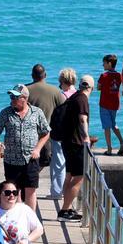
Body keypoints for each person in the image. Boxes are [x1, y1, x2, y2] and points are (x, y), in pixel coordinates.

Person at [0, 85, 50, 213]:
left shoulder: (37, 112)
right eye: (11, 96)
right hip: (11, 160)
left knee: (30, 190)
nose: (12, 99)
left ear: (24, 98)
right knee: (13, 191)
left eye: (15, 97)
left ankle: (31, 220)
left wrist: (37, 149)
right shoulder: (6, 113)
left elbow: (46, 132)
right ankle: (15, 218)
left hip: (30, 159)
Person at [26, 66, 66, 200]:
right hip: (48, 132)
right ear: (45, 75)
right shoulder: (55, 91)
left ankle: (27, 180)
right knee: (46, 159)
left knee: (29, 158)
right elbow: (63, 110)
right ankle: (30, 180)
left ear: (32, 75)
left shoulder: (26, 90)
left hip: (28, 132)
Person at [58, 76, 95, 220]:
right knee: (79, 177)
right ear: (91, 88)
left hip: (68, 141)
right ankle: (64, 210)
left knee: (69, 175)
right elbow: (82, 119)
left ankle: (65, 208)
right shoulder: (83, 99)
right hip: (76, 144)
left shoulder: (75, 96)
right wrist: (86, 136)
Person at [45, 68, 77, 198]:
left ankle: (57, 191)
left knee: (58, 162)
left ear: (62, 81)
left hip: (60, 133)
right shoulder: (77, 94)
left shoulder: (62, 95)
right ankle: (64, 190)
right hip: (73, 134)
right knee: (67, 163)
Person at [96, 53, 123, 155]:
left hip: (105, 104)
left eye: (104, 63)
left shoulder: (104, 76)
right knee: (113, 124)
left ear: (109, 63)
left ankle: (109, 148)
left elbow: (98, 87)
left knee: (106, 127)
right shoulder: (118, 75)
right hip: (115, 104)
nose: (103, 65)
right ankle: (122, 143)